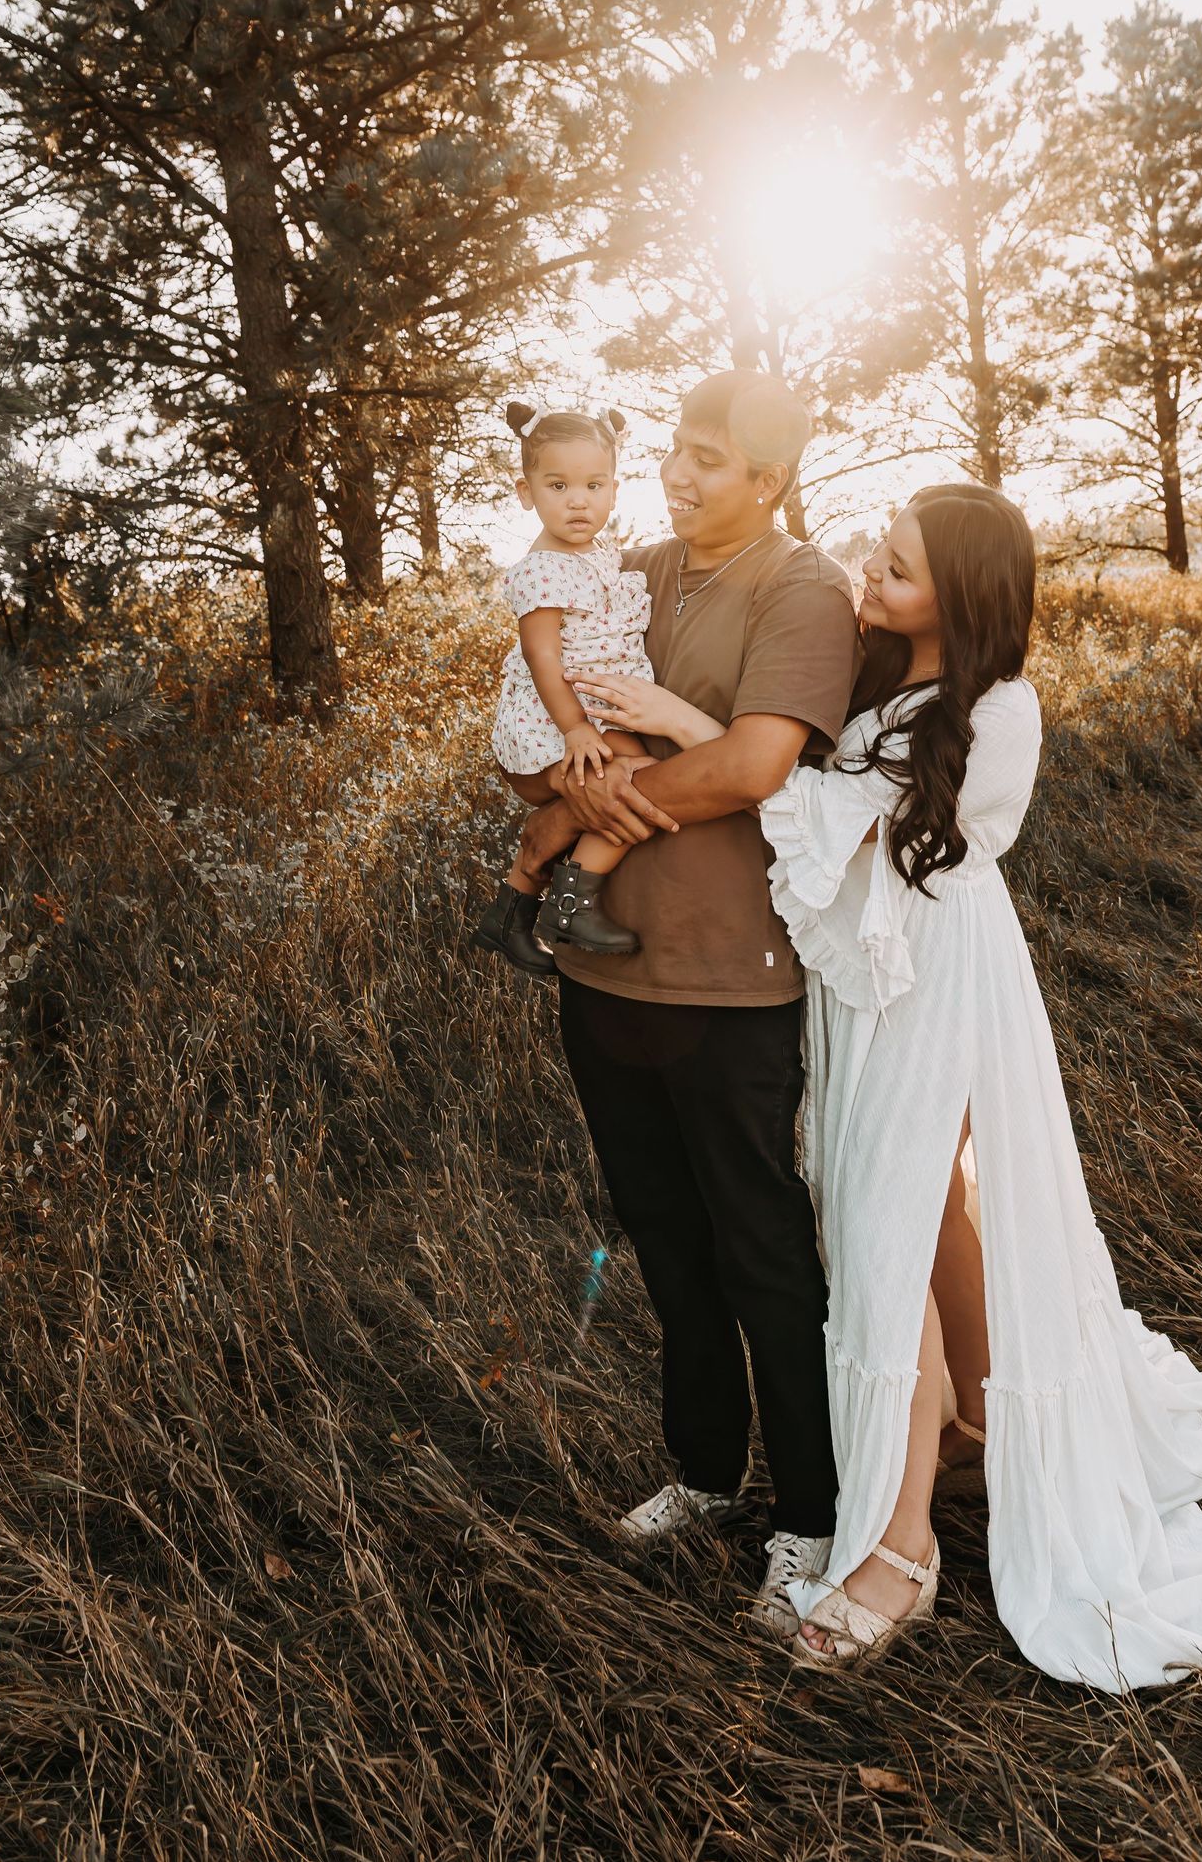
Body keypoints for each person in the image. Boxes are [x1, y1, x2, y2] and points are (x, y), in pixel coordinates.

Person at [742, 483, 1202, 1685]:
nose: (869, 577)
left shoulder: (999, 709)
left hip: (935, 975)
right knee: (912, 1201)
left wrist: (710, 740)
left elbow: (888, 836)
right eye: (875, 556)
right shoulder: (876, 672)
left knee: (879, 1224)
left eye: (896, 568)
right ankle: (973, 1419)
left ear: (966, 596)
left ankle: (898, 1543)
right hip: (858, 982)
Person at [501, 371, 860, 1639]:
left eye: (712, 459)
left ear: (769, 478)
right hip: (603, 968)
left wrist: (591, 803)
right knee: (663, 1236)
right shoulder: (630, 565)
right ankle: (708, 1470)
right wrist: (562, 789)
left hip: (729, 975)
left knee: (764, 1253)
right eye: (676, 451)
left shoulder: (801, 587)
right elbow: (538, 684)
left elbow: (760, 765)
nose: (679, 475)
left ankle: (811, 1516)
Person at [472, 402, 656, 977]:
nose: (578, 500)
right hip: (550, 728)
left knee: (627, 780)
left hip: (587, 716)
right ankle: (574, 905)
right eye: (558, 485)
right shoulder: (544, 566)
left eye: (593, 484)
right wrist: (576, 727)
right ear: (526, 493)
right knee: (638, 778)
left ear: (614, 490)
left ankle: (509, 913)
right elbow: (541, 655)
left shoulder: (597, 554)